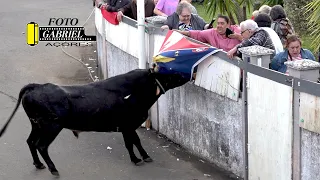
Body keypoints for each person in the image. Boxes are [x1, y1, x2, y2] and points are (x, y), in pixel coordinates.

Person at [175, 14, 242, 52]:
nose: (219, 26)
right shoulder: (212, 32)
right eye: (218, 23)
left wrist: (238, 37)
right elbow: (197, 34)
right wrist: (179, 32)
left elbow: (249, 41)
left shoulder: (237, 30)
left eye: (222, 23)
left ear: (228, 24)